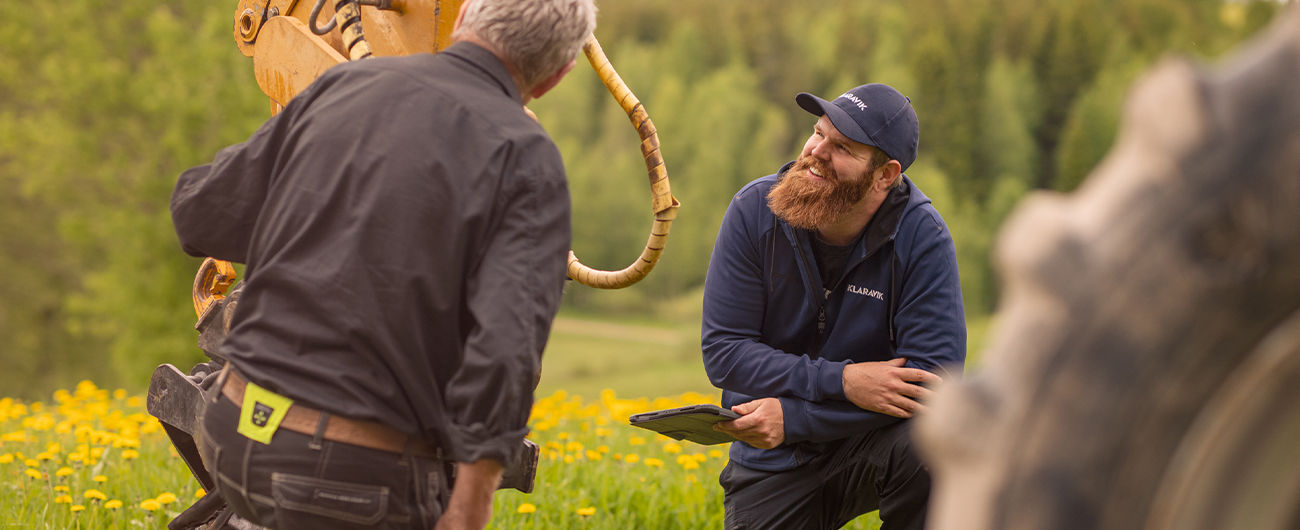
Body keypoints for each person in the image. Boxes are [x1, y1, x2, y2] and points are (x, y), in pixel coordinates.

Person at [168, 0, 596, 528]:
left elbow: (199, 214)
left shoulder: (343, 86)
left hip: (234, 434)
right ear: (557, 76)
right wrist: (472, 502)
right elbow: (507, 352)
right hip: (354, 476)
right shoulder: (528, 158)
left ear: (463, 22)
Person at [701, 83, 966, 530]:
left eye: (841, 146)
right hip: (773, 458)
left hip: (871, 442)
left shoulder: (923, 237)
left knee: (936, 442)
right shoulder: (754, 211)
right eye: (817, 132)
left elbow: (930, 384)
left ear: (885, 174)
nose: (816, 152)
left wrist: (799, 417)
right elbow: (725, 352)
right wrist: (843, 380)